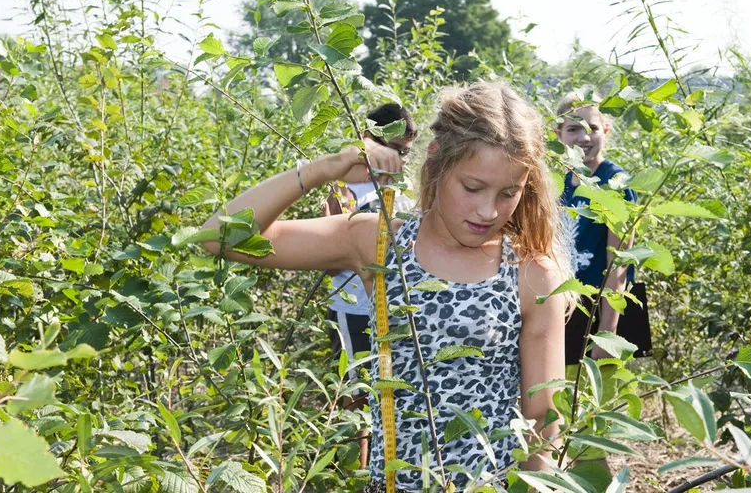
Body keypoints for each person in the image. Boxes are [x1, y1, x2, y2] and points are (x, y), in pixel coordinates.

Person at [199, 83, 570, 491]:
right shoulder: (381, 241)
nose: (488, 210)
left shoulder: (530, 273)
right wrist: (325, 169)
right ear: (436, 161)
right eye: (472, 187)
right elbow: (220, 237)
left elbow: (544, 419)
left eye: (509, 193)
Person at [322, 103, 418, 470]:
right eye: (391, 149)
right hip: (355, 310)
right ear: (368, 141)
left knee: (393, 396)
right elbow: (331, 260)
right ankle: (355, 475)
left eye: (405, 152)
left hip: (398, 312)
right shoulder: (346, 188)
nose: (398, 160)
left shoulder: (410, 190)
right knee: (356, 397)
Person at [556, 90, 638, 465]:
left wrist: (606, 334)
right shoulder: (555, 181)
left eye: (591, 127)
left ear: (606, 128)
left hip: (596, 308)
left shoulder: (615, 182)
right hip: (556, 304)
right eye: (573, 129)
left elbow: (616, 264)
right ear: (559, 134)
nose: (583, 137)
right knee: (553, 412)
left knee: (588, 421)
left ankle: (593, 481)